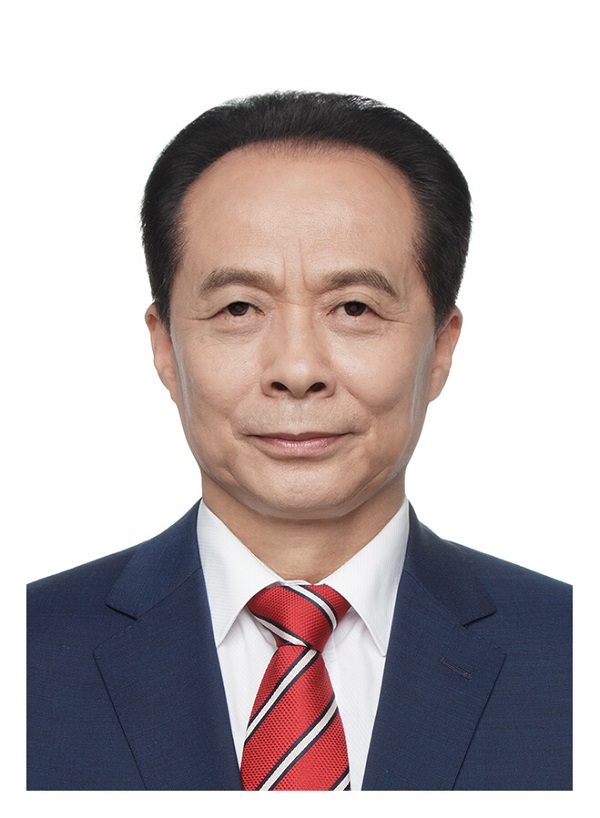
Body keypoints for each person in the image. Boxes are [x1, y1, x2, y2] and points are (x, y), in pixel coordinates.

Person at [27, 91, 572, 791]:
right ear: (165, 349)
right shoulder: (27, 653)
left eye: (354, 308)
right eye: (238, 308)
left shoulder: (570, 654)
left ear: (440, 348)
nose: (297, 369)